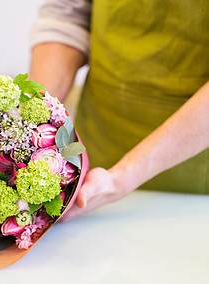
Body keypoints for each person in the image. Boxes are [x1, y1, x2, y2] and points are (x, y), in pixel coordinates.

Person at [28, 0, 209, 220]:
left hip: (194, 187)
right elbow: (68, 13)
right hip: (97, 152)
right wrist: (32, 125)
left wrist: (122, 178)